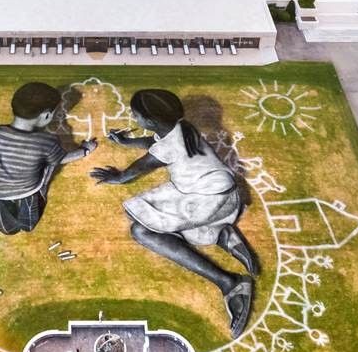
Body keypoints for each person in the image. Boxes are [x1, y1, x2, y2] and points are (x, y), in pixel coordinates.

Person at [92, 88, 259, 337]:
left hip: (205, 201)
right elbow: (157, 145)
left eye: (136, 116)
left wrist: (117, 178)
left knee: (141, 230)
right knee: (151, 214)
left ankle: (231, 283)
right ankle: (221, 234)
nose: (134, 119)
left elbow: (138, 168)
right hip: (225, 195)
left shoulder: (169, 145)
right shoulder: (184, 127)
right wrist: (128, 142)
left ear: (149, 121)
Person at [0, 81, 96, 235]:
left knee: (7, 223)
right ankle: (28, 209)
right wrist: (85, 150)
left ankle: (1, 211)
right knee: (29, 222)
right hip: (26, 190)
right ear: (46, 115)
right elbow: (62, 158)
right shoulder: (46, 141)